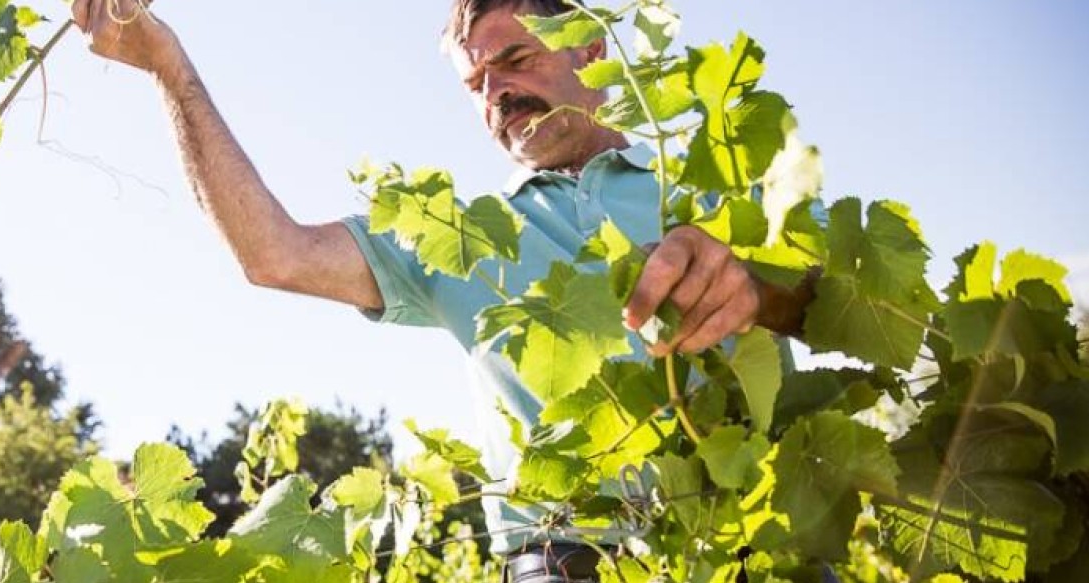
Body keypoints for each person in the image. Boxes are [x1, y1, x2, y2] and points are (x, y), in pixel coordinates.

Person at [70, 0, 818, 580]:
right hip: (567, 561)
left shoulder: (718, 181)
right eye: (475, 82)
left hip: (754, 541)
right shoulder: (456, 235)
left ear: (590, 50)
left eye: (515, 59)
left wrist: (756, 285)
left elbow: (838, 307)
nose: (496, 91)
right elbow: (275, 252)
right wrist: (171, 69)